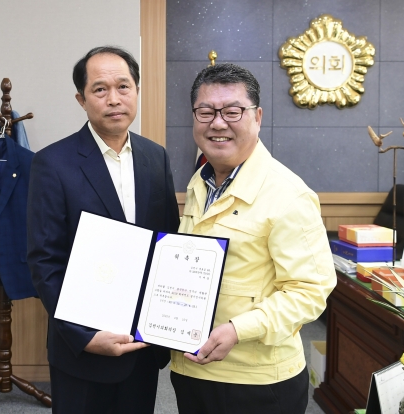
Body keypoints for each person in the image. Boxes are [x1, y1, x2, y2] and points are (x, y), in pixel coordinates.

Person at [169, 63, 337, 413]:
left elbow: (310, 291)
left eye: (232, 112)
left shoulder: (288, 194)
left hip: (256, 381)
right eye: (205, 112)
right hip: (192, 368)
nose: (218, 123)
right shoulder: (201, 181)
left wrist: (238, 329)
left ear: (257, 117)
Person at [26, 46, 180, 414]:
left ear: (137, 91)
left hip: (142, 342)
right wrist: (84, 337)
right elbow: (44, 261)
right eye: (100, 89)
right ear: (81, 99)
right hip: (83, 348)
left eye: (123, 86)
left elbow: (167, 243)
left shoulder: (155, 156)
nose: (114, 99)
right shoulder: (52, 163)